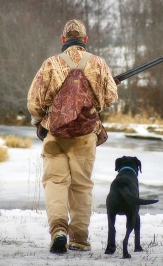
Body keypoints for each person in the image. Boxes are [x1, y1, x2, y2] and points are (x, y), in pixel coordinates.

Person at [27, 19, 119, 253]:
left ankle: (58, 230)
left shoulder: (50, 64)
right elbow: (110, 98)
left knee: (56, 183)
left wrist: (39, 121)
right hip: (85, 135)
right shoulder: (98, 63)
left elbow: (34, 102)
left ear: (63, 40)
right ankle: (79, 238)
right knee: (80, 186)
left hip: (55, 134)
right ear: (85, 40)